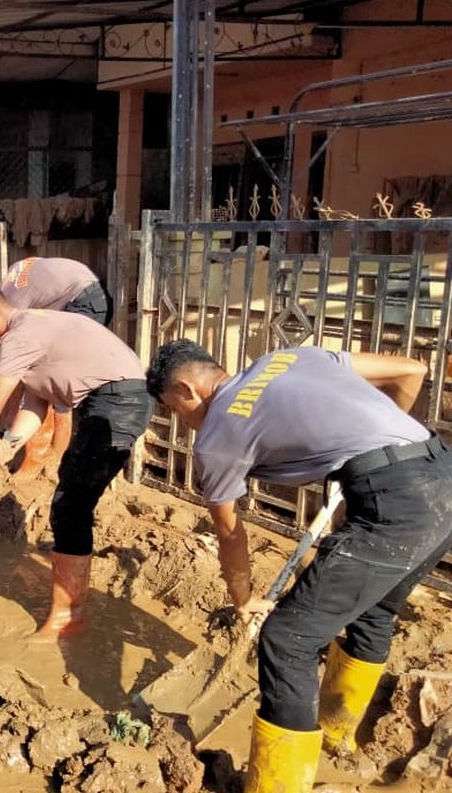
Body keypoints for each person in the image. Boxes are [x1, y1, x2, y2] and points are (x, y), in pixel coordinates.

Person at [146, 340, 452, 793]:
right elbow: (410, 372)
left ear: (189, 390)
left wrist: (245, 600)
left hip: (395, 503)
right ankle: (335, 733)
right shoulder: (288, 357)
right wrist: (376, 453)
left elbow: (232, 534)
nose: (184, 424)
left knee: (287, 638)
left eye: (175, 410)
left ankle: (277, 786)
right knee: (373, 612)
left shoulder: (217, 439)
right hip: (441, 474)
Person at [0, 280, 150, 637]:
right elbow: (36, 402)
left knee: (70, 505)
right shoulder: (36, 325)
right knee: (71, 497)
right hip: (115, 399)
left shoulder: (21, 335)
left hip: (118, 401)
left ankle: (69, 618)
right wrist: (10, 442)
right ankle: (69, 608)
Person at [0, 257, 111, 475]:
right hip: (87, 296)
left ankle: (49, 458)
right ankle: (46, 454)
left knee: (50, 380)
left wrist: (9, 414)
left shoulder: (11, 302)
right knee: (44, 379)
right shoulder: (13, 274)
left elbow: (16, 368)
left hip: (84, 304)